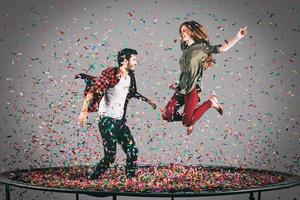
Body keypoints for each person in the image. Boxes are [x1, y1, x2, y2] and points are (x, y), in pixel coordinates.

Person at [76, 48, 156, 179]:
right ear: (125, 60)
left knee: (132, 151)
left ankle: (131, 178)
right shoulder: (112, 74)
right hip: (107, 122)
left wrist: (147, 100)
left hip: (119, 122)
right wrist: (84, 111)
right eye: (134, 59)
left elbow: (131, 93)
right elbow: (93, 90)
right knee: (110, 157)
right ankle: (93, 178)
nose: (136, 62)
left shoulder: (130, 77)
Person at [161, 20, 247, 135]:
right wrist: (178, 84)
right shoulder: (185, 49)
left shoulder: (202, 47)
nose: (182, 33)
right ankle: (190, 119)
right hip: (182, 88)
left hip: (192, 89)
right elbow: (186, 71)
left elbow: (222, 49)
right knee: (166, 115)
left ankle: (211, 102)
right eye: (181, 32)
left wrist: (237, 37)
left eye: (185, 30)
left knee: (187, 122)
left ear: (192, 31)